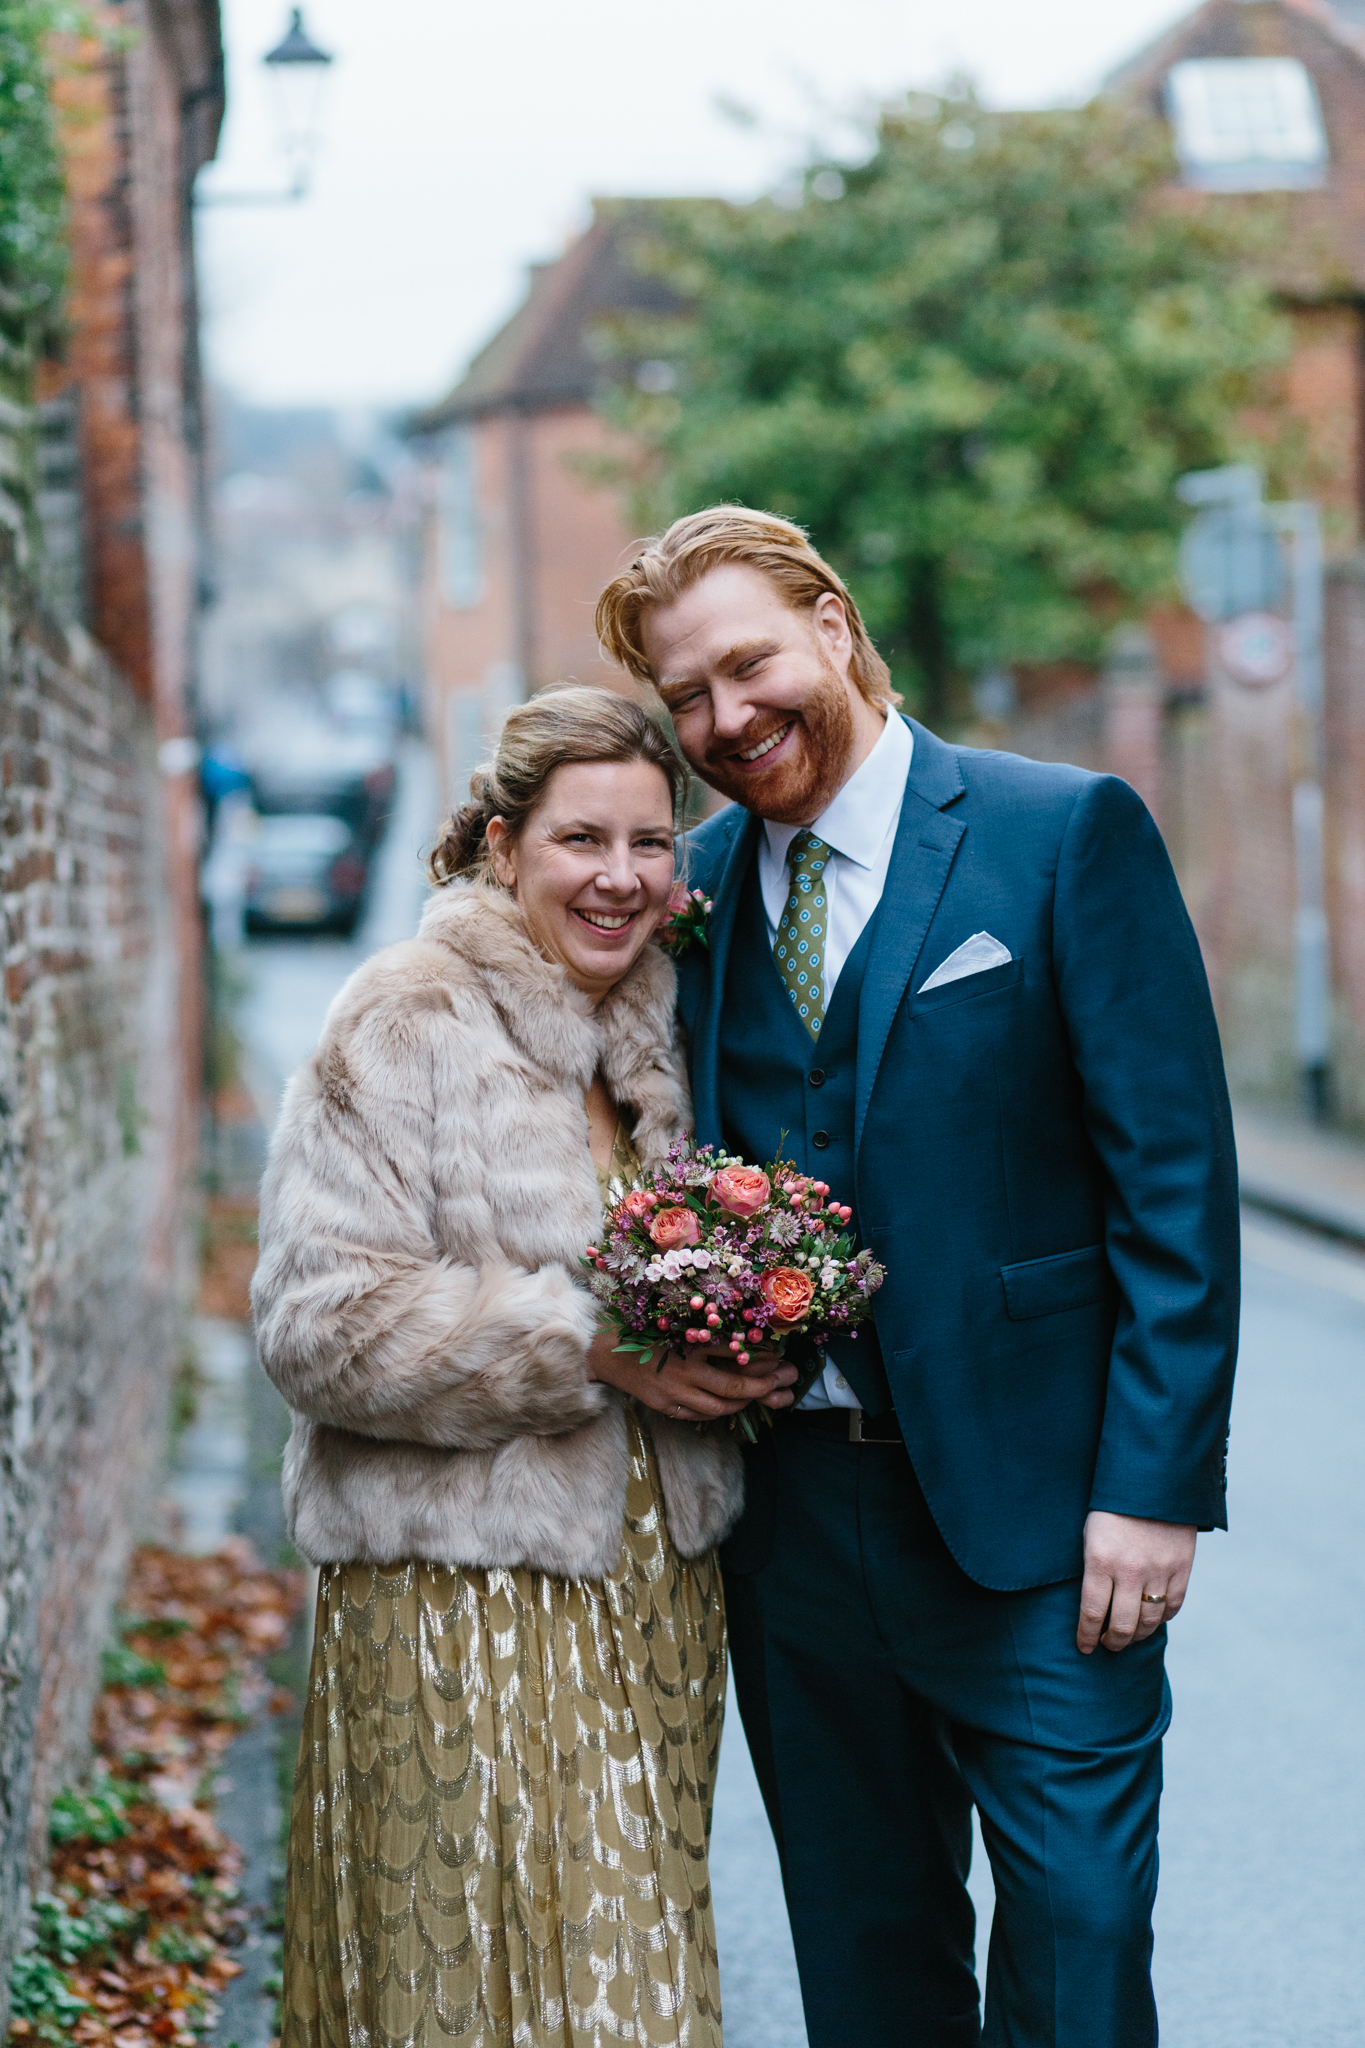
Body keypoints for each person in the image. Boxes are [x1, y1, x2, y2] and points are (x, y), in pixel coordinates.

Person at [596, 509, 1241, 2048]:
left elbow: (1173, 1184)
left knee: (1078, 1942)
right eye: (685, 699)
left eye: (745, 665)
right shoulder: (684, 893)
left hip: (1040, 1527)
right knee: (867, 1959)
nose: (725, 721)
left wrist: (1151, 1488)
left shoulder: (1058, 829)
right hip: (796, 1530)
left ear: (830, 622)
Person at [252, 684, 797, 2048]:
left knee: (637, 1971)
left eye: (649, 843)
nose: (618, 877)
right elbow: (318, 1324)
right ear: (501, 846)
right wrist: (589, 1350)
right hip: (457, 1600)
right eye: (579, 840)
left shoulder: (665, 1028)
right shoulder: (405, 1014)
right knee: (476, 1992)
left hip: (658, 1601)